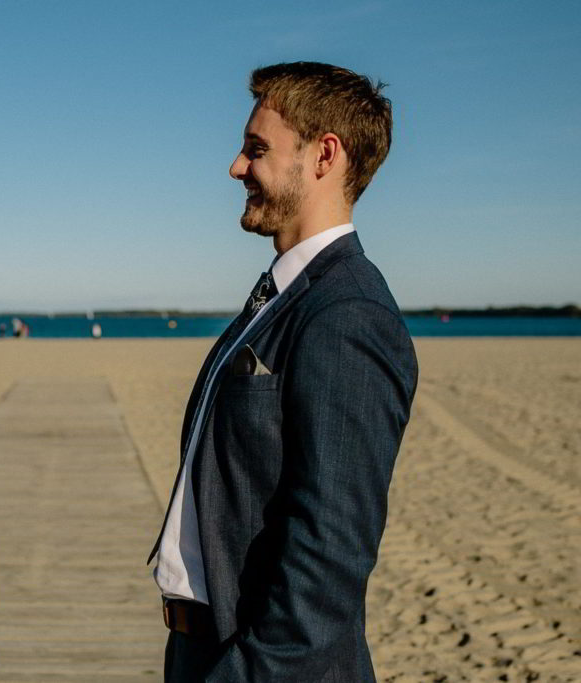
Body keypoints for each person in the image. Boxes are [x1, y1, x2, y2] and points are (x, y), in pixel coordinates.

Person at [150, 61, 418, 681]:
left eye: (256, 149)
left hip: (263, 664)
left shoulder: (347, 311)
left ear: (324, 155)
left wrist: (248, 672)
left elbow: (331, 548)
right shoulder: (281, 293)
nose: (236, 167)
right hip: (204, 645)